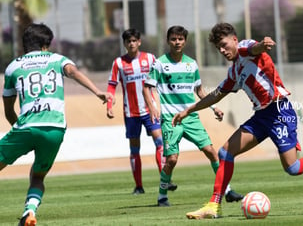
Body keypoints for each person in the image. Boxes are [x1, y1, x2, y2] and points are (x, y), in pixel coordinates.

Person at [172, 22, 303, 219]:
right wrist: (188, 110)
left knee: (293, 168)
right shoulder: (234, 72)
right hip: (261, 116)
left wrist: (263, 44)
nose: (222, 50)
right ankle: (214, 205)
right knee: (225, 152)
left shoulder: (245, 48)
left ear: (234, 40)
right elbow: (216, 95)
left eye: (224, 44)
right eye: (218, 48)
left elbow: (254, 48)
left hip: (280, 111)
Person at [0, 23, 113, 226]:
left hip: (26, 127)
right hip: (55, 128)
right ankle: (29, 212)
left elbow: (8, 110)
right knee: (38, 176)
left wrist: (22, 131)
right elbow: (73, 72)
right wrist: (97, 91)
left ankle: (29, 213)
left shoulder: (13, 67)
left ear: (24, 45)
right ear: (45, 45)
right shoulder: (57, 59)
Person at [143, 25, 243, 207]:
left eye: (180, 39)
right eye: (173, 39)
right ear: (168, 41)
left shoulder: (191, 64)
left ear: (185, 41)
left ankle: (227, 190)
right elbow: (146, 87)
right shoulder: (160, 63)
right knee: (172, 159)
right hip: (171, 119)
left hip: (191, 118)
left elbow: (199, 91)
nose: (177, 42)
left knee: (211, 152)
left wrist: (214, 108)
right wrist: (152, 107)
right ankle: (162, 196)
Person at [106, 28, 176, 195]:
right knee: (134, 149)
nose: (131, 44)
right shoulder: (118, 63)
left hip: (149, 110)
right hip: (131, 112)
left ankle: (166, 179)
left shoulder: (150, 58)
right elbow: (111, 85)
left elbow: (162, 76)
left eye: (134, 41)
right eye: (128, 41)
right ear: (124, 44)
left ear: (139, 42)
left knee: (160, 142)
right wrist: (109, 105)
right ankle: (138, 186)